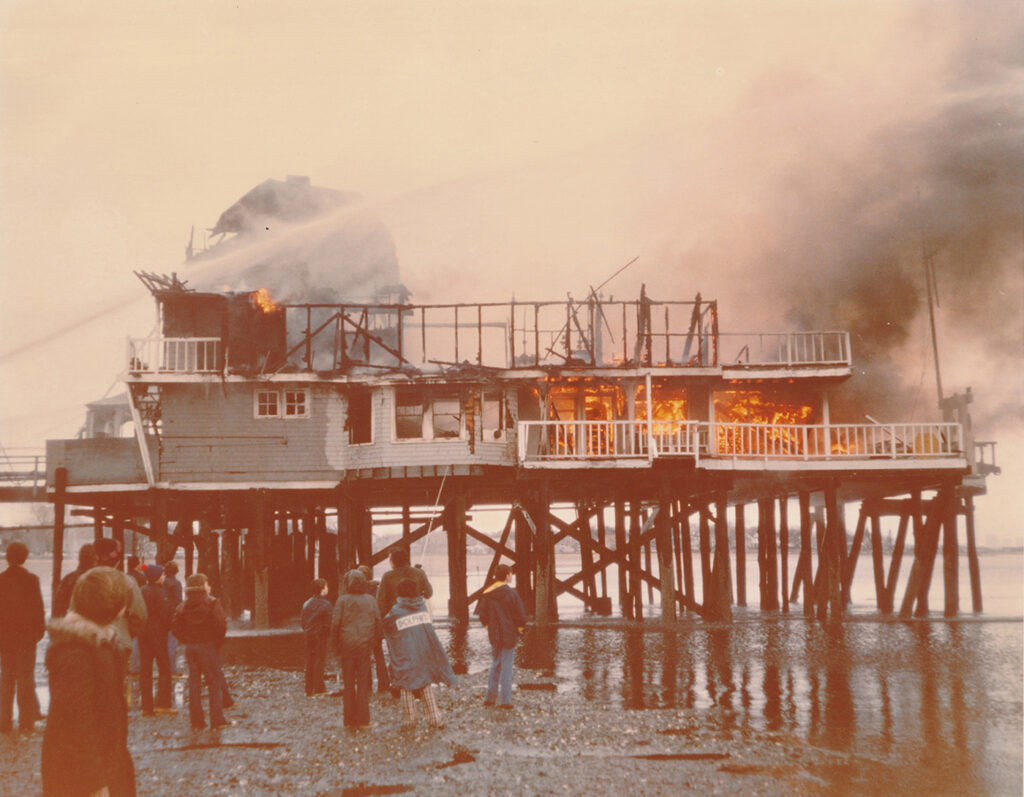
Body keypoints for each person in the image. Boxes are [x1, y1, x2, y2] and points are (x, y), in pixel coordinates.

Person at [42, 566, 136, 796]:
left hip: (102, 763)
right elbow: (76, 722)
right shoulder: (77, 652)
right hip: (84, 775)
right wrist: (95, 782)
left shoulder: (95, 643)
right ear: (114, 607)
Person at [383, 579, 456, 730]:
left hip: (406, 654)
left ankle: (409, 722)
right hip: (424, 652)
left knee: (406, 686)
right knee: (425, 684)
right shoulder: (422, 607)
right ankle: (435, 719)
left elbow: (386, 625)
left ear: (400, 593)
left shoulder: (396, 612)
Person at [171, 573, 229, 730]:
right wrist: (216, 642)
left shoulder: (184, 605)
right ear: (203, 586)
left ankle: (196, 721)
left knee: (194, 683)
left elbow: (175, 627)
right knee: (214, 682)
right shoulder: (212, 603)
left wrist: (187, 639)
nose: (209, 586)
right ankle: (217, 718)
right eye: (207, 583)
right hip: (208, 646)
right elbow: (221, 624)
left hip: (191, 647)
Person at [0, 541, 45, 735]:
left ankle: (4, 723)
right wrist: (38, 634)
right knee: (26, 679)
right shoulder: (32, 580)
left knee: (7, 680)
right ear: (25, 558)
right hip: (26, 639)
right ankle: (26, 722)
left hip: (6, 639)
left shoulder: (1, 580)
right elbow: (38, 609)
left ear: (7, 558)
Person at [332, 569, 382, 729]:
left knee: (348, 684)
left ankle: (348, 720)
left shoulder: (342, 600)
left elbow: (335, 624)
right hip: (364, 646)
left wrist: (335, 646)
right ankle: (363, 720)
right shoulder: (371, 600)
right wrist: (375, 642)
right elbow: (377, 622)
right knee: (362, 683)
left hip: (347, 646)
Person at [93, 538, 147, 679]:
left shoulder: (82, 581)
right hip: (118, 641)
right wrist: (127, 633)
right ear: (114, 557)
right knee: (116, 689)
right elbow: (140, 615)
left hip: (89, 642)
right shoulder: (127, 582)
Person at [475, 563, 527, 709]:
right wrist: (519, 630)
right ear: (506, 576)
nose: (511, 576)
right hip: (509, 633)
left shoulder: (487, 593)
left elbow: (482, 616)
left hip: (494, 634)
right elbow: (521, 616)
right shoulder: (511, 593)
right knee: (507, 667)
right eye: (510, 573)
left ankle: (489, 698)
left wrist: (489, 628)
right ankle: (505, 700)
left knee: (495, 663)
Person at [138, 565, 175, 715]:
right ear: (156, 576)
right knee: (165, 668)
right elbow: (167, 613)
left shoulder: (142, 591)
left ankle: (146, 706)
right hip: (158, 635)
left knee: (145, 669)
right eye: (162, 574)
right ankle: (163, 703)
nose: (164, 576)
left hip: (143, 634)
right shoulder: (160, 592)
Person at [358, 564, 390, 693]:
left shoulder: (359, 590)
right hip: (376, 626)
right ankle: (384, 683)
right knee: (379, 655)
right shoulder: (377, 588)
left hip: (364, 627)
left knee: (364, 656)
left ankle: (367, 685)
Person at [376, 547, 432, 617]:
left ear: (393, 561)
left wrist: (383, 617)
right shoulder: (420, 573)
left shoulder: (387, 576)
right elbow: (429, 593)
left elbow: (380, 600)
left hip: (395, 615)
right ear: (406, 559)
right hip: (416, 614)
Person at [300, 578, 332, 696]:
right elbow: (329, 623)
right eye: (326, 586)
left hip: (308, 635)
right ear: (322, 589)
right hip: (320, 636)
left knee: (309, 661)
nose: (328, 588)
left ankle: (308, 688)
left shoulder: (306, 603)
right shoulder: (326, 604)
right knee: (319, 661)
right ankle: (319, 688)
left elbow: (303, 622)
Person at [52, 543, 98, 619]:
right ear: (95, 559)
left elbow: (58, 607)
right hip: (92, 624)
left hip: (71, 622)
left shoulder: (68, 579)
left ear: (79, 558)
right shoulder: (99, 580)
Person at [162, 561, 184, 674]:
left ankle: (164, 667)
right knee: (172, 644)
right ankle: (172, 668)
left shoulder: (162, 582)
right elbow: (179, 601)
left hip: (162, 617)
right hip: (172, 617)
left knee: (163, 644)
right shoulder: (176, 584)